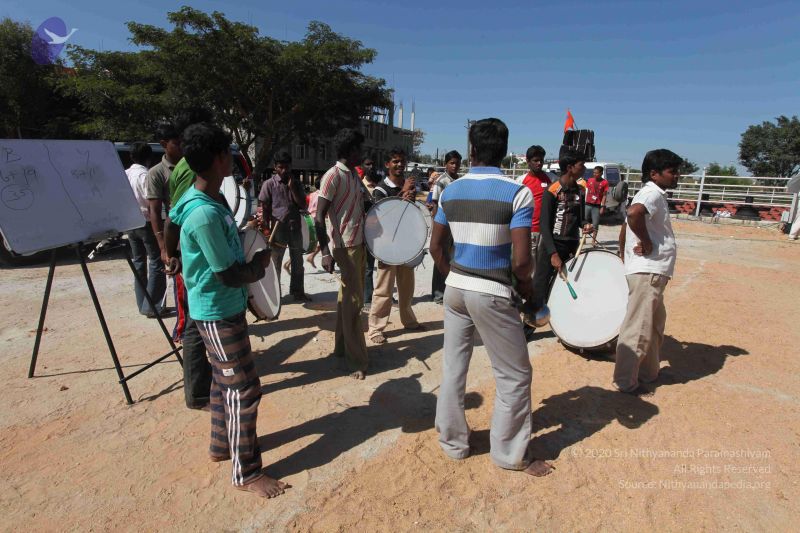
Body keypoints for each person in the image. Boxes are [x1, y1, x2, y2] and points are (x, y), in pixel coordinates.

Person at [166, 122, 287, 499]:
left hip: (221, 307)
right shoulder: (203, 213)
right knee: (244, 389)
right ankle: (246, 473)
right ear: (219, 158)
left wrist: (173, 256)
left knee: (223, 382)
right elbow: (229, 274)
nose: (233, 159)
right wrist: (260, 266)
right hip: (217, 310)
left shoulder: (201, 198)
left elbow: (171, 223)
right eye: (229, 153)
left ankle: (222, 445)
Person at [431, 118, 553, 477]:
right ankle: (509, 454)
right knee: (514, 375)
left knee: (454, 368)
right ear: (505, 150)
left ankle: (453, 443)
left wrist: (453, 275)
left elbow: (436, 246)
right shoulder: (517, 193)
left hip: (456, 289)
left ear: (471, 149)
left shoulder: (451, 191)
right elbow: (522, 261)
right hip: (493, 292)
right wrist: (526, 289)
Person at [613, 149, 681, 394]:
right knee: (638, 327)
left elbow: (626, 225)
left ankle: (648, 373)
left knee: (653, 325)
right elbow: (633, 215)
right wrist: (646, 242)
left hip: (650, 271)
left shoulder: (651, 193)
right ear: (654, 173)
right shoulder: (651, 193)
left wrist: (625, 255)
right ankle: (625, 381)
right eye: (672, 171)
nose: (676, 176)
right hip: (648, 272)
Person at [315, 128, 370, 380]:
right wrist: (325, 252)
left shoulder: (354, 175)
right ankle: (356, 360)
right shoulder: (332, 175)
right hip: (344, 246)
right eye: (359, 148)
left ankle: (341, 349)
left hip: (358, 243)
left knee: (345, 299)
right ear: (349, 150)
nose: (362, 152)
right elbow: (318, 217)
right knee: (354, 303)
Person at [367, 148, 425, 344]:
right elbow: (382, 217)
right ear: (387, 165)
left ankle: (408, 320)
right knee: (384, 288)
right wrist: (402, 194)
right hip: (387, 246)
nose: (400, 165)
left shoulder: (408, 186)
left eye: (402, 161)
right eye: (395, 161)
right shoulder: (381, 190)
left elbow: (409, 214)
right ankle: (375, 328)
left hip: (405, 244)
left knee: (407, 287)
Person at [530, 149, 593, 316]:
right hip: (552, 246)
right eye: (581, 165)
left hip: (572, 245)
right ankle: (529, 325)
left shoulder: (580, 190)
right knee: (540, 286)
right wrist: (553, 253)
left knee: (567, 283)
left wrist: (586, 224)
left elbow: (580, 219)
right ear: (570, 167)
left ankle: (562, 322)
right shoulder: (553, 190)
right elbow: (544, 225)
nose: (584, 168)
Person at [258, 152, 311, 302]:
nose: (284, 170)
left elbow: (303, 205)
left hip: (295, 227)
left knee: (298, 261)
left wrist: (292, 187)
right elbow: (265, 208)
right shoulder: (269, 184)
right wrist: (266, 229)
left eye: (287, 167)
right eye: (280, 167)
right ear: (275, 167)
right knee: (276, 263)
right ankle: (275, 295)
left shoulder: (296, 183)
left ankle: (297, 291)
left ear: (291, 166)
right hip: (277, 229)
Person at [124, 142, 166, 318]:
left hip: (131, 223)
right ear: (149, 158)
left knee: (139, 262)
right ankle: (152, 305)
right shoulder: (145, 175)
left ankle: (142, 303)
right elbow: (152, 203)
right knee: (156, 262)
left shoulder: (125, 174)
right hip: (147, 223)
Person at [430, 150, 462, 303]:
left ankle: (449, 291)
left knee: (453, 258)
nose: (455, 166)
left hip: (456, 225)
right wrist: (437, 227)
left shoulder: (460, 181)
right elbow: (435, 204)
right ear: (446, 164)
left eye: (457, 163)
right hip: (443, 225)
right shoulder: (441, 181)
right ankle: (438, 293)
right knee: (440, 257)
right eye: (452, 163)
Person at [361, 168, 382, 308]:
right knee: (368, 267)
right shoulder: (360, 188)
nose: (371, 166)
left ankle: (382, 295)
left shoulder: (379, 188)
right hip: (367, 232)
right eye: (368, 164)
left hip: (380, 233)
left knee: (384, 266)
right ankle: (367, 298)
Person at [584, 166, 608, 241]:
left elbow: (604, 195)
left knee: (595, 224)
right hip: (587, 204)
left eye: (596, 173)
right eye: (594, 172)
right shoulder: (590, 180)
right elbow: (586, 191)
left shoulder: (605, 182)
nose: (594, 174)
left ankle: (593, 240)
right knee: (585, 222)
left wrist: (602, 206)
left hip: (596, 206)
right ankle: (584, 239)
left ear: (601, 173)